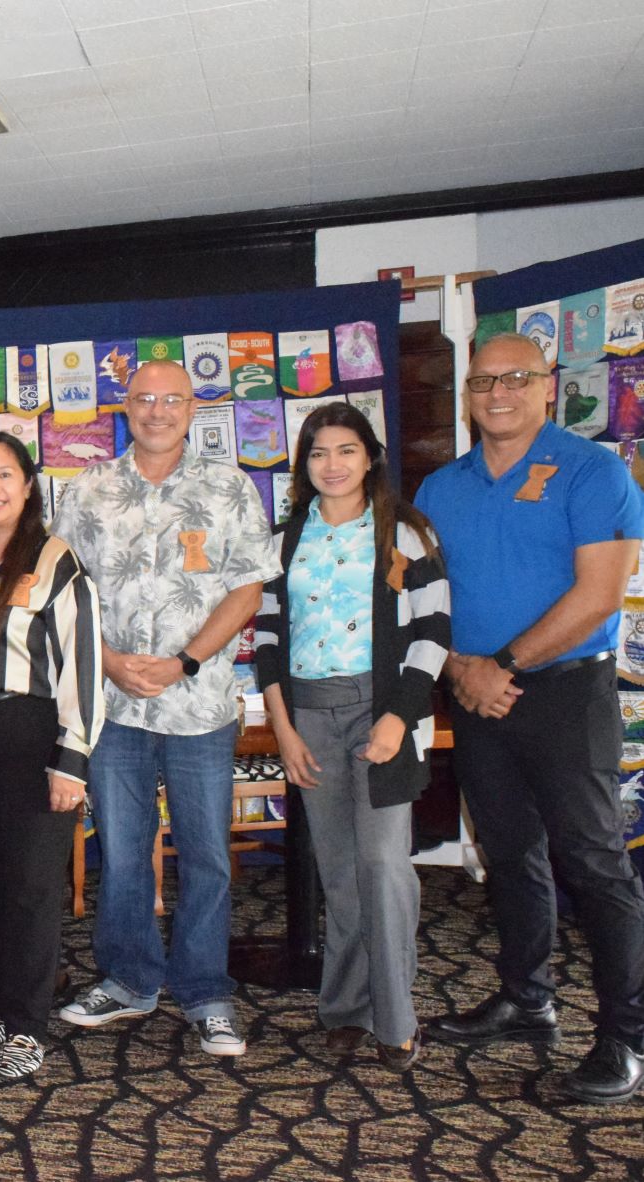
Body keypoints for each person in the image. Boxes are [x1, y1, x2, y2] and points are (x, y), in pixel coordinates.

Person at [417, 332, 644, 1105]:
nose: (497, 393)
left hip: (561, 693)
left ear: (547, 386)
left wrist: (499, 668)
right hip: (474, 694)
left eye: (514, 378)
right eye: (481, 382)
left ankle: (625, 1035)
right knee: (510, 854)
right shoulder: (440, 489)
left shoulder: (593, 470)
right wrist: (459, 672)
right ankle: (526, 998)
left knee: (593, 863)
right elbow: (422, 602)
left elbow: (598, 595)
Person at [54, 359, 278, 1057]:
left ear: (191, 407)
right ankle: (128, 980)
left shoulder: (228, 486)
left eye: (170, 399)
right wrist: (112, 662)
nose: (156, 410)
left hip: (199, 706)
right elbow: (65, 591)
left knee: (206, 856)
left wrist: (184, 660)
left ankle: (206, 992)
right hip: (114, 707)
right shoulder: (87, 489)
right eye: (143, 399)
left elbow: (246, 589)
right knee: (121, 854)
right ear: (124, 406)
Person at [253, 403, 450, 1072]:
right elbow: (268, 640)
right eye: (316, 453)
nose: (330, 464)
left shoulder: (404, 531)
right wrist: (282, 729)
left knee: (382, 867)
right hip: (307, 714)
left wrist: (397, 716)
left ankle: (395, 1019)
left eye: (344, 450)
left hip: (383, 711)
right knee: (337, 874)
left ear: (370, 456)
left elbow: (432, 630)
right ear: (303, 465)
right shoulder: (284, 539)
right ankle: (344, 1008)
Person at [0, 433, 103, 1082]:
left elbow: (82, 664)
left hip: (32, 741)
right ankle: (6, 1012)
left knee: (32, 887)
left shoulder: (55, 560)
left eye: (5, 475)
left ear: (29, 485)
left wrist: (73, 762)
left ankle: (30, 1029)